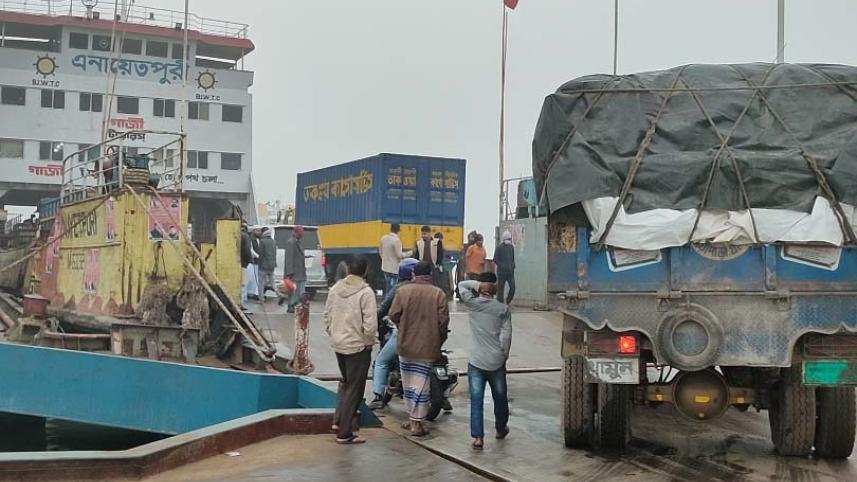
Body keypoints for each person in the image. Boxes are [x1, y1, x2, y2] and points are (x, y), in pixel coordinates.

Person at [389, 260, 449, 437]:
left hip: (406, 345)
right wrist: (439, 338)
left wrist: (402, 327)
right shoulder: (438, 294)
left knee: (409, 385)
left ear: (414, 274)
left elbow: (393, 314)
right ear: (430, 275)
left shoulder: (403, 292)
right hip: (428, 346)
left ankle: (414, 421)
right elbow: (443, 321)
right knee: (422, 385)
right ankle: (417, 423)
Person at [324, 257, 377, 445]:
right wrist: (368, 342)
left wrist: (334, 333)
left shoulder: (336, 289)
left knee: (346, 384)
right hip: (358, 347)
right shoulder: (366, 292)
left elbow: (327, 315)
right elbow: (370, 325)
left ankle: (338, 423)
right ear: (365, 271)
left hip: (339, 344)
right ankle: (345, 433)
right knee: (354, 388)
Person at [458, 273, 512, 450]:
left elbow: (462, 286)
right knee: (500, 397)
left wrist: (477, 284)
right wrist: (504, 354)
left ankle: (478, 438)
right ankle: (500, 428)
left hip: (476, 361)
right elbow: (506, 336)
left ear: (481, 287)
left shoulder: (472, 304)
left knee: (476, 399)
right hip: (496, 360)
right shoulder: (502, 309)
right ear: (495, 288)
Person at [368, 257, 418, 410]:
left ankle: (377, 395)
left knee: (381, 361)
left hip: (403, 333)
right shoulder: (431, 289)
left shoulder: (399, 289)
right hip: (426, 334)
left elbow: (385, 309)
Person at [379, 224, 412, 296]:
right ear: (398, 231)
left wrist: (384, 260)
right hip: (394, 269)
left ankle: (385, 302)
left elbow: (380, 252)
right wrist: (410, 253)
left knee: (387, 287)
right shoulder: (397, 241)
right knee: (392, 289)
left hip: (385, 267)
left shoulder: (383, 238)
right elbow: (399, 255)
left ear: (390, 229)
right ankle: (389, 304)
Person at [281, 225, 307, 311]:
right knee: (294, 291)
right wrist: (289, 273)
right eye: (301, 232)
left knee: (298, 291)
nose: (302, 233)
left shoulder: (297, 242)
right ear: (296, 232)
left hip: (299, 272)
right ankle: (291, 306)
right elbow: (289, 258)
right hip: (294, 273)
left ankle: (294, 306)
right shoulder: (291, 242)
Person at [414, 225, 445, 292]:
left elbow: (440, 253)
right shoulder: (419, 243)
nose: (423, 235)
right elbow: (417, 255)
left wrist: (438, 264)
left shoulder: (437, 242)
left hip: (433, 266)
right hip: (423, 267)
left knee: (435, 283)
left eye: (425, 234)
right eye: (422, 234)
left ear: (429, 233)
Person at [493, 231, 516, 305]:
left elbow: (512, 258)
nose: (509, 240)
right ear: (504, 239)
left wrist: (513, 266)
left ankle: (508, 301)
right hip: (501, 272)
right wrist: (502, 265)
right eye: (507, 239)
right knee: (500, 289)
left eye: (510, 239)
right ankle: (500, 303)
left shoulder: (511, 247)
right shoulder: (499, 247)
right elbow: (495, 259)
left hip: (510, 272)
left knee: (513, 287)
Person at [258, 227, 277, 296]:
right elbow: (275, 253)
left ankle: (261, 299)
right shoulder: (274, 242)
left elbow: (261, 254)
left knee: (261, 283)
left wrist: (259, 264)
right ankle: (279, 294)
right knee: (272, 282)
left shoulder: (262, 241)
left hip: (263, 266)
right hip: (272, 266)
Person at [240, 223, 253, 310]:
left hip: (235, 262)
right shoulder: (245, 236)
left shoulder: (236, 234)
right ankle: (241, 303)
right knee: (243, 284)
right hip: (243, 263)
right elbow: (247, 249)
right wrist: (249, 260)